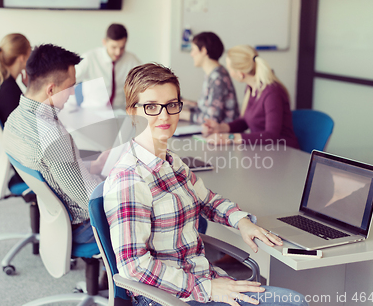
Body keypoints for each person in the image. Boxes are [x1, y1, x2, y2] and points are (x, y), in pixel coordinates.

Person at [103, 63, 308, 306]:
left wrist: (240, 221)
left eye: (171, 104)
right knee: (293, 302)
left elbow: (208, 200)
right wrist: (208, 288)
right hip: (167, 297)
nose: (164, 115)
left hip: (201, 278)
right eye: (151, 107)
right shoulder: (129, 179)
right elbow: (134, 268)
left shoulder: (171, 161)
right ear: (131, 111)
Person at [3, 44, 108, 244]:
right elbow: (89, 201)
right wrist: (120, 182)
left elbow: (56, 169)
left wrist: (94, 166)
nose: (72, 94)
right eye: (70, 87)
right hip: (82, 225)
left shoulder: (15, 119)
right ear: (51, 89)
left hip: (56, 218)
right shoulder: (51, 135)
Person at [202, 45, 299, 150]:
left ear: (240, 73)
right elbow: (245, 121)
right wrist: (220, 128)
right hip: (263, 150)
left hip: (283, 151)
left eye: (230, 69)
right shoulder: (251, 88)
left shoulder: (272, 93)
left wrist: (229, 138)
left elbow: (271, 135)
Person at [70, 23, 141, 108]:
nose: (118, 52)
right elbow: (67, 82)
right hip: (92, 111)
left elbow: (144, 83)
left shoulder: (131, 60)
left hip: (118, 111)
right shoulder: (89, 58)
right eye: (114, 47)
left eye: (122, 47)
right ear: (104, 42)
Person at [181, 32, 240, 124]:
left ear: (204, 51)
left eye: (193, 49)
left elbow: (212, 119)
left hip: (223, 134)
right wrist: (186, 104)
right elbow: (209, 107)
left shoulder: (218, 77)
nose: (191, 54)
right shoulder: (212, 74)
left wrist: (182, 114)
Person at [0, 33, 31, 126]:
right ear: (22, 58)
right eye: (30, 50)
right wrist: (31, 89)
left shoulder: (4, 85)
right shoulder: (10, 90)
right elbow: (29, 126)